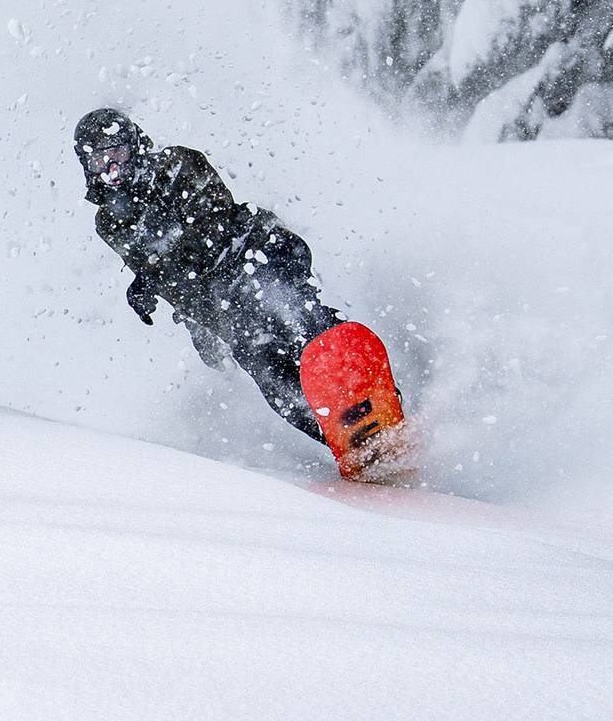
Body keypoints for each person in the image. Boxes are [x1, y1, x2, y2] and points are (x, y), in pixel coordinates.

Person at [72, 108, 408, 479]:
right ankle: (347, 441)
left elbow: (212, 224)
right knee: (272, 377)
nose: (109, 164)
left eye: (115, 151)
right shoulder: (110, 220)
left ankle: (381, 406)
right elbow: (164, 277)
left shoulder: (177, 164)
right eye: (97, 157)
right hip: (222, 310)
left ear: (133, 145)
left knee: (300, 322)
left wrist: (154, 273)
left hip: (255, 259)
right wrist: (189, 321)